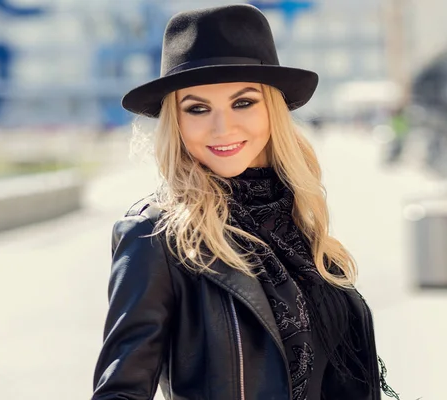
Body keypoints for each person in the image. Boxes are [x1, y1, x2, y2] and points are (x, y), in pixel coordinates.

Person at [91, 4, 399, 400]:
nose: (223, 127)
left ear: (271, 109)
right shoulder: (156, 235)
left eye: (243, 102)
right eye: (198, 108)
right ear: (177, 122)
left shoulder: (296, 219)